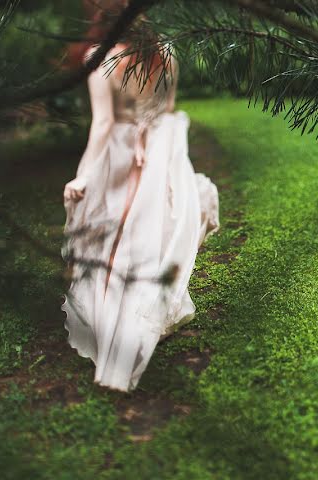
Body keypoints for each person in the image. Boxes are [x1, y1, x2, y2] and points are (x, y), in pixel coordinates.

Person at [61, 1, 220, 392]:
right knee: (155, 224)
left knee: (118, 229)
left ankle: (120, 313)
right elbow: (166, 108)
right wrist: (148, 137)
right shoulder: (165, 52)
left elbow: (102, 125)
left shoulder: (101, 60)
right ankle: (150, 306)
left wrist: (83, 175)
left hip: (120, 146)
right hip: (162, 144)